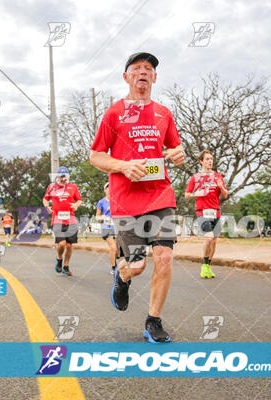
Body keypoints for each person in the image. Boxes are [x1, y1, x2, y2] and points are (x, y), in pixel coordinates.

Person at [90, 52, 184, 343]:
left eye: (149, 68)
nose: (143, 72)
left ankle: (153, 320)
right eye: (136, 68)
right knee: (138, 265)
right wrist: (123, 166)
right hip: (125, 202)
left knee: (165, 257)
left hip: (160, 197)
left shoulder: (164, 114)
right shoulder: (114, 113)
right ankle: (122, 277)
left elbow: (175, 150)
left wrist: (178, 154)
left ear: (154, 77)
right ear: (126, 77)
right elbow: (95, 156)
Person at [184, 150, 228, 278]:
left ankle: (208, 266)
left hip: (216, 211)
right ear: (201, 161)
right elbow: (187, 195)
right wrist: (197, 194)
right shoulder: (195, 178)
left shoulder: (218, 177)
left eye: (211, 159)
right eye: (207, 159)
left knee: (214, 241)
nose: (210, 161)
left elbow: (225, 195)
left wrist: (221, 187)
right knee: (208, 238)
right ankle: (204, 265)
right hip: (202, 211)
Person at [43, 166, 82, 276]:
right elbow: (45, 199)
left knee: (69, 245)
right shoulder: (52, 187)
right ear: (58, 176)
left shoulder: (73, 187)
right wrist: (47, 207)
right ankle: (59, 258)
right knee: (61, 244)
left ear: (67, 176)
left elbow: (79, 200)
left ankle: (66, 266)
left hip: (71, 220)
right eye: (60, 176)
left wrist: (76, 205)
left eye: (64, 176)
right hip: (57, 219)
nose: (62, 178)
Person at [96, 182, 117, 274]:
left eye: (111, 187)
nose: (109, 189)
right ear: (105, 190)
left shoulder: (117, 200)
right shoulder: (101, 202)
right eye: (107, 188)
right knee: (113, 247)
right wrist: (102, 217)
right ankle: (114, 267)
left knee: (117, 249)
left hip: (117, 227)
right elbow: (97, 217)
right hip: (107, 227)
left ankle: (115, 263)